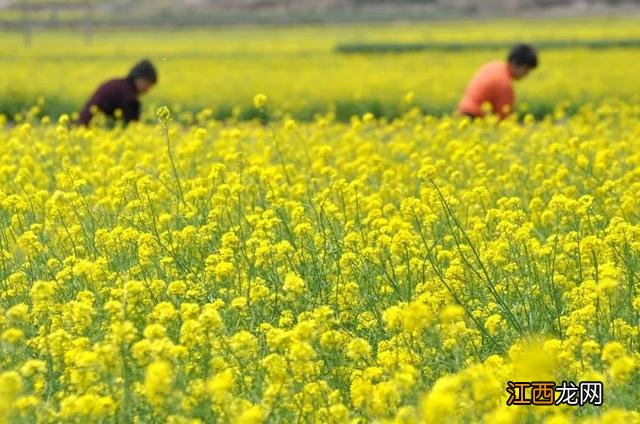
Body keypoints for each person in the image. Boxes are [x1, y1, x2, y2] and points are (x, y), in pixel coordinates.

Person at [457, 44, 538, 119]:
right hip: (473, 116)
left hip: (461, 112)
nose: (526, 74)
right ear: (515, 63)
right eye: (526, 70)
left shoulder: (494, 65)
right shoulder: (504, 83)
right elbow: (503, 116)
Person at [79, 59, 157, 125]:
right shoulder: (128, 95)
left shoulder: (119, 85)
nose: (148, 90)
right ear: (140, 79)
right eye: (148, 84)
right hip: (89, 126)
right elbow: (133, 123)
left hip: (85, 124)